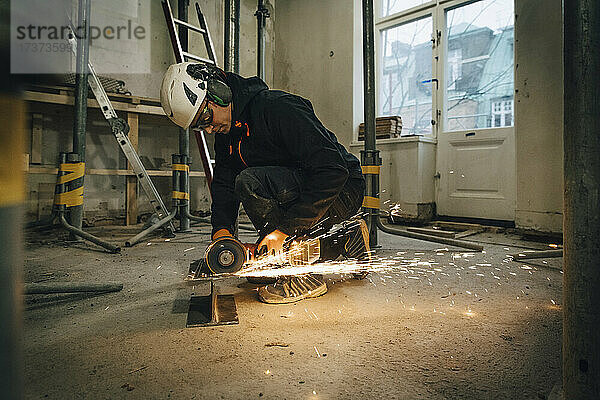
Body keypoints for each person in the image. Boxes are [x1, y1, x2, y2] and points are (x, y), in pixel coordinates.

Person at [160, 62, 370, 303]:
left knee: (250, 182)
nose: (208, 129)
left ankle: (304, 275)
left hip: (341, 190)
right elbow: (224, 184)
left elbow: (333, 170)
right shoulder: (227, 132)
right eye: (200, 125)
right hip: (301, 188)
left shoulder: (278, 108)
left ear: (219, 92)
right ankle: (345, 237)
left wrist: (284, 231)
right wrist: (222, 232)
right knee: (245, 183)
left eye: (206, 117)